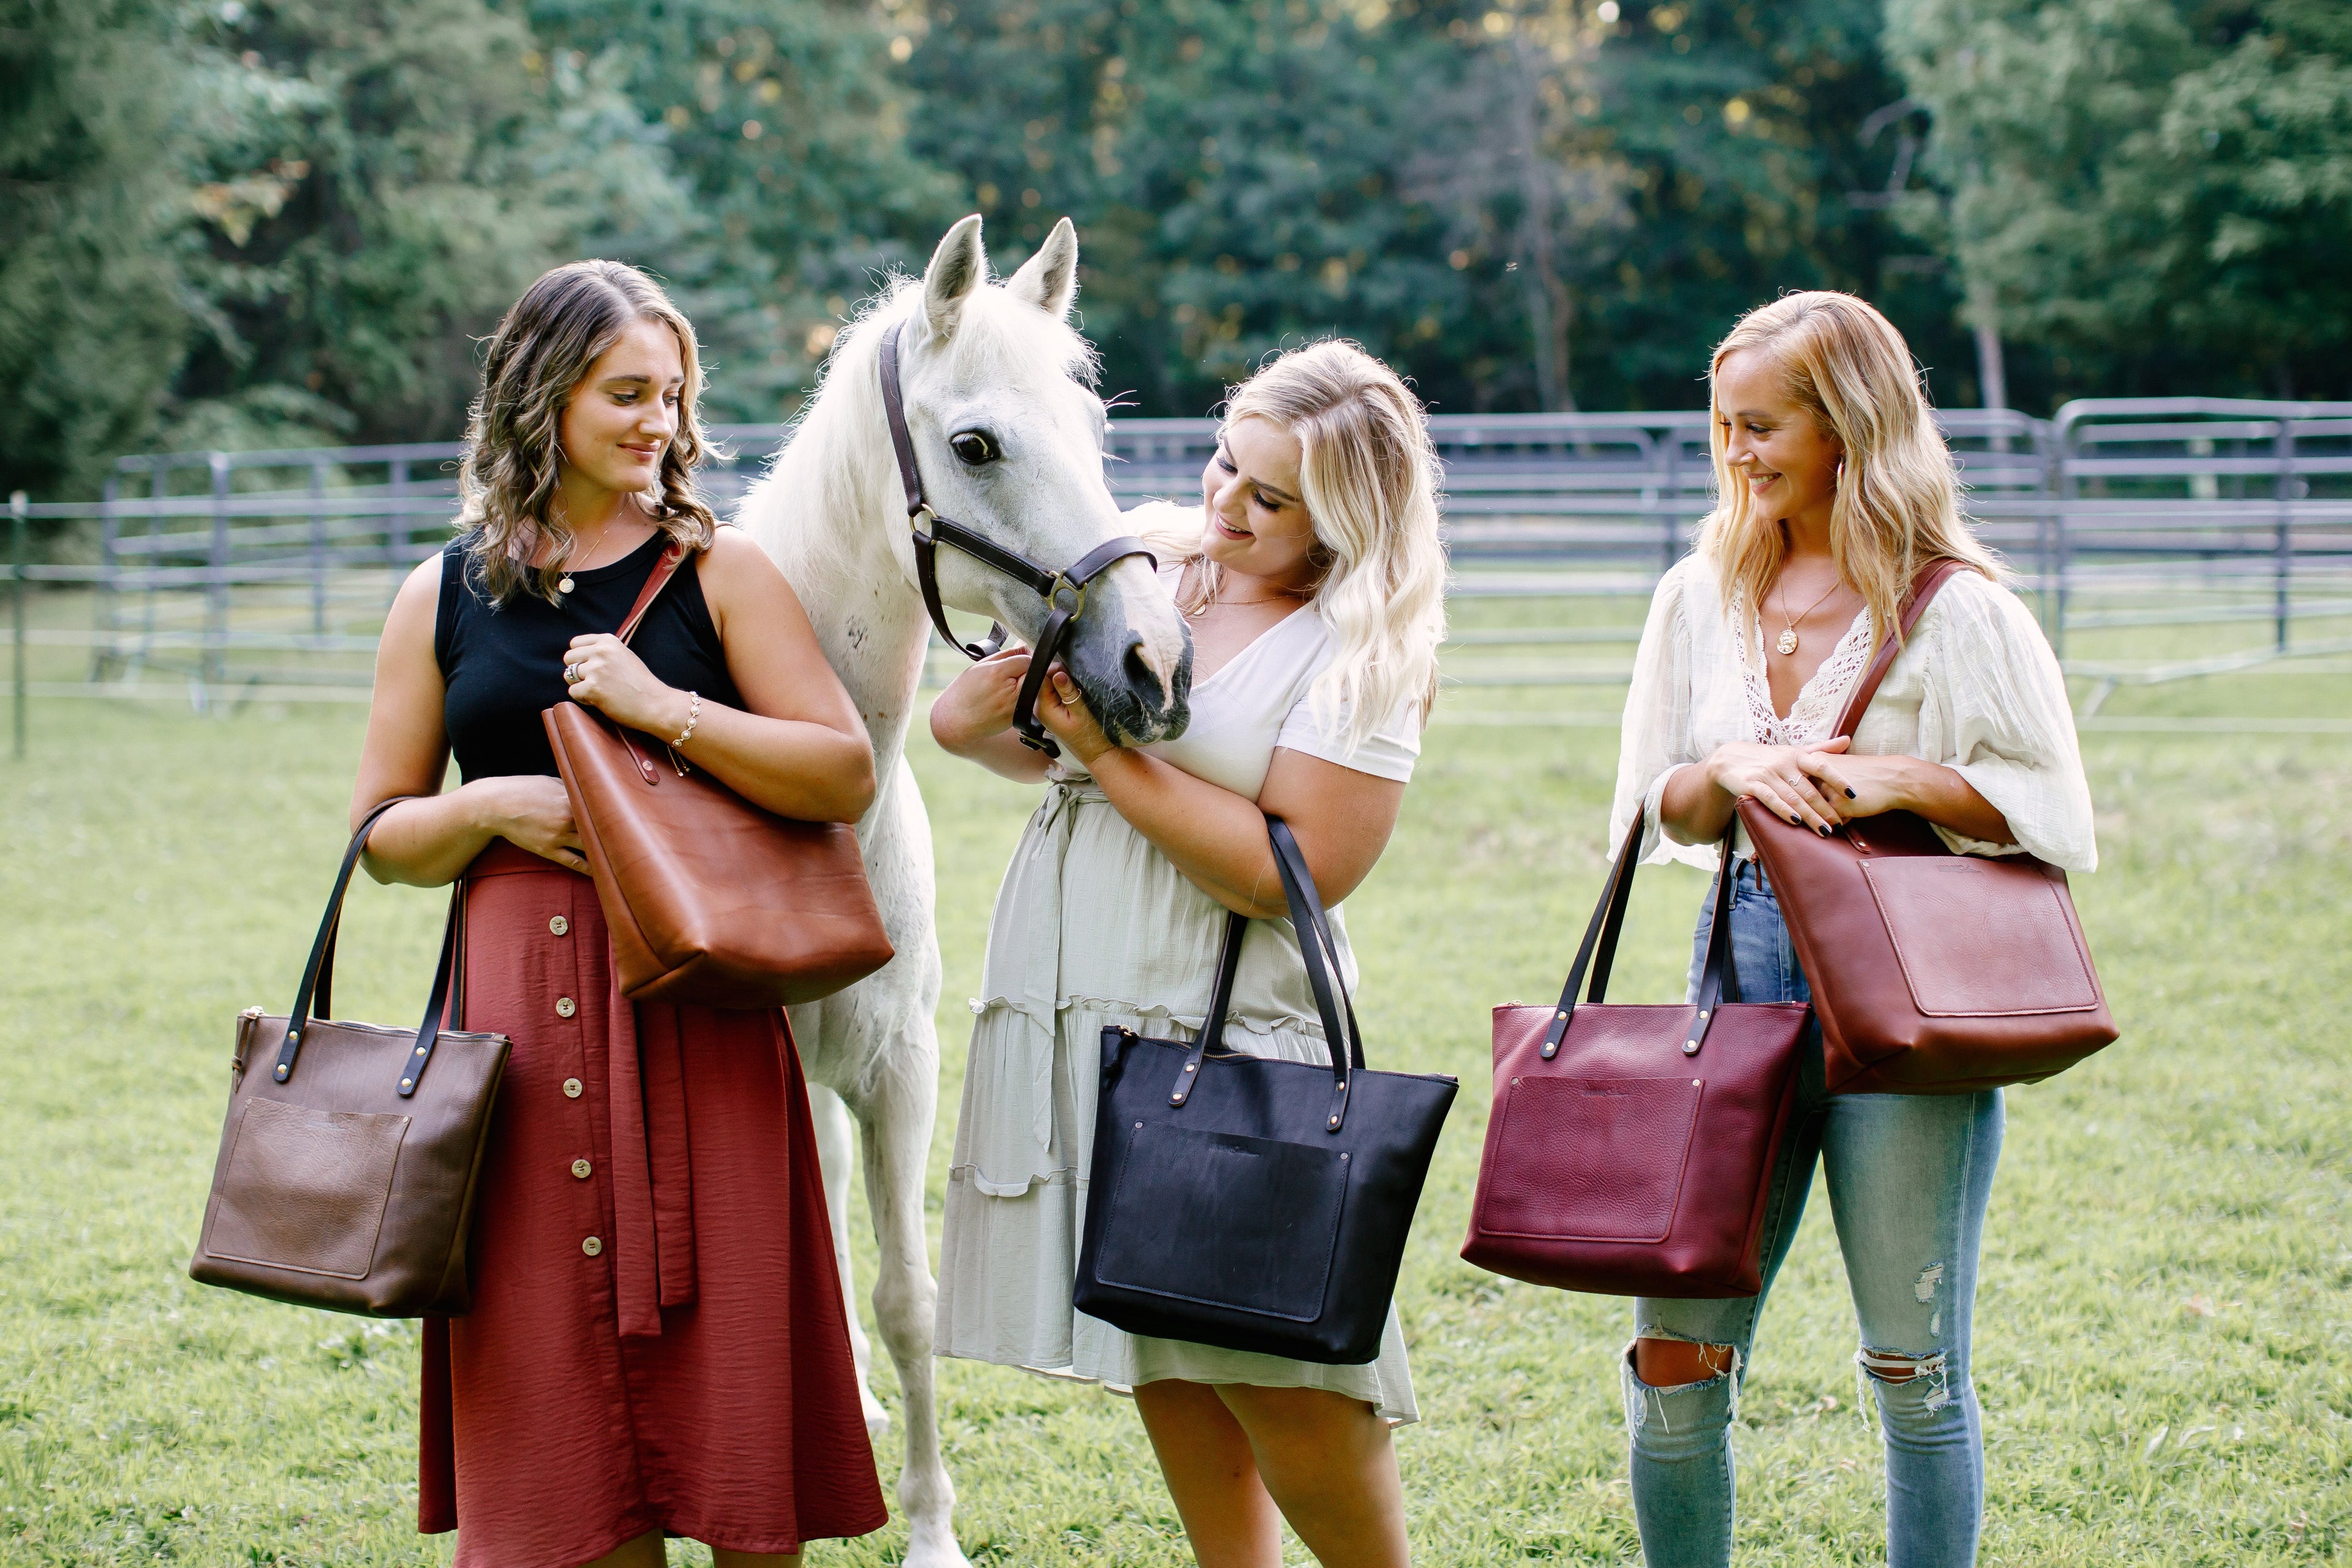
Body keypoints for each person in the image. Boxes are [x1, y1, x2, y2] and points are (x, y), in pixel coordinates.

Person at [348, 260, 888, 1568]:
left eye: (675, 393)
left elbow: (840, 769)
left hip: (695, 1010)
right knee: (560, 1430)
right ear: (543, 395)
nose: (662, 421)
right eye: (627, 392)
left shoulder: (723, 571)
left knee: (739, 1406)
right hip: (520, 1047)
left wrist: (658, 708)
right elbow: (379, 837)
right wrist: (490, 813)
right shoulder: (441, 594)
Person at [929, 341, 1448, 1568]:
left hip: (1226, 1010)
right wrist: (1016, 712)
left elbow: (1293, 871)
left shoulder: (1361, 647)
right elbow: (982, 728)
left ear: (1347, 518)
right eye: (1228, 463)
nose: (1227, 506)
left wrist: (1112, 758)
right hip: (1088, 998)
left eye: (1271, 499)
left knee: (1281, 1372)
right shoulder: (1153, 566)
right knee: (1157, 1333)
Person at [1608, 291, 2097, 1567]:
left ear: (1850, 427)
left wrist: (1897, 779)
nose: (1737, 452)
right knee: (1674, 1357)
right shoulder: (1697, 594)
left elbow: (2054, 812)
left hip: (1906, 1003)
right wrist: (1724, 770)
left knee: (1913, 1363)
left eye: (1761, 424)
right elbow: (1652, 801)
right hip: (1735, 988)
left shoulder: (1959, 610)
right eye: (1723, 424)